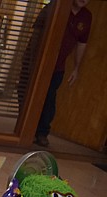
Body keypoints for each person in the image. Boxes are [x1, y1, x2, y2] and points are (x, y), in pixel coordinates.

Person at [32, 0, 92, 147]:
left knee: (49, 98)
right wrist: (32, 60)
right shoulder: (55, 6)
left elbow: (82, 43)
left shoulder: (86, 16)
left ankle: (41, 133)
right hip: (36, 62)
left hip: (58, 67)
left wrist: (76, 68)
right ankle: (27, 131)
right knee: (29, 96)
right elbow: (36, 33)